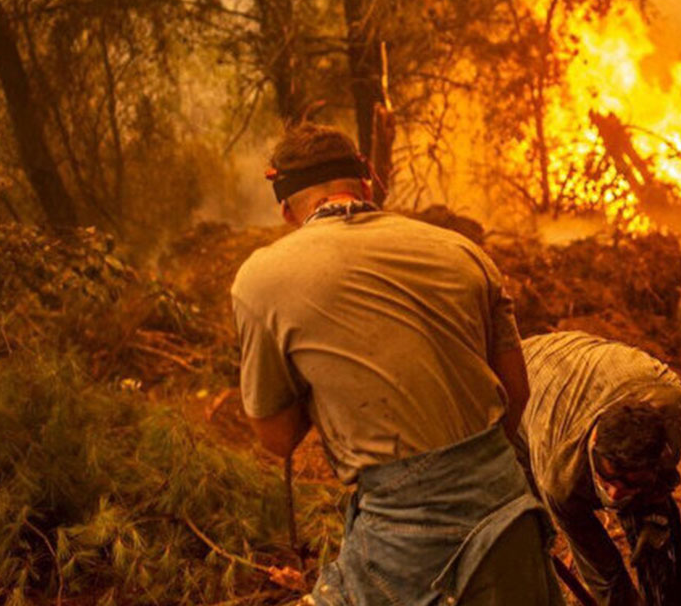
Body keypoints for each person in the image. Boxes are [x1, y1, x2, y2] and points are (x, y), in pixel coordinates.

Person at [231, 124, 562, 606]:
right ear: (368, 183)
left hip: (401, 532)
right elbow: (516, 395)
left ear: (284, 208)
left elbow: (277, 438)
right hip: (506, 509)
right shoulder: (464, 253)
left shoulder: (261, 279)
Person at [518, 331, 681, 606]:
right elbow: (602, 570)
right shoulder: (559, 476)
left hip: (601, 369)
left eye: (629, 484)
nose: (613, 495)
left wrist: (655, 511)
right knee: (529, 527)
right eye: (608, 479)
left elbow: (662, 478)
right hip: (518, 383)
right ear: (593, 443)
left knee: (660, 533)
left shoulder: (674, 417)